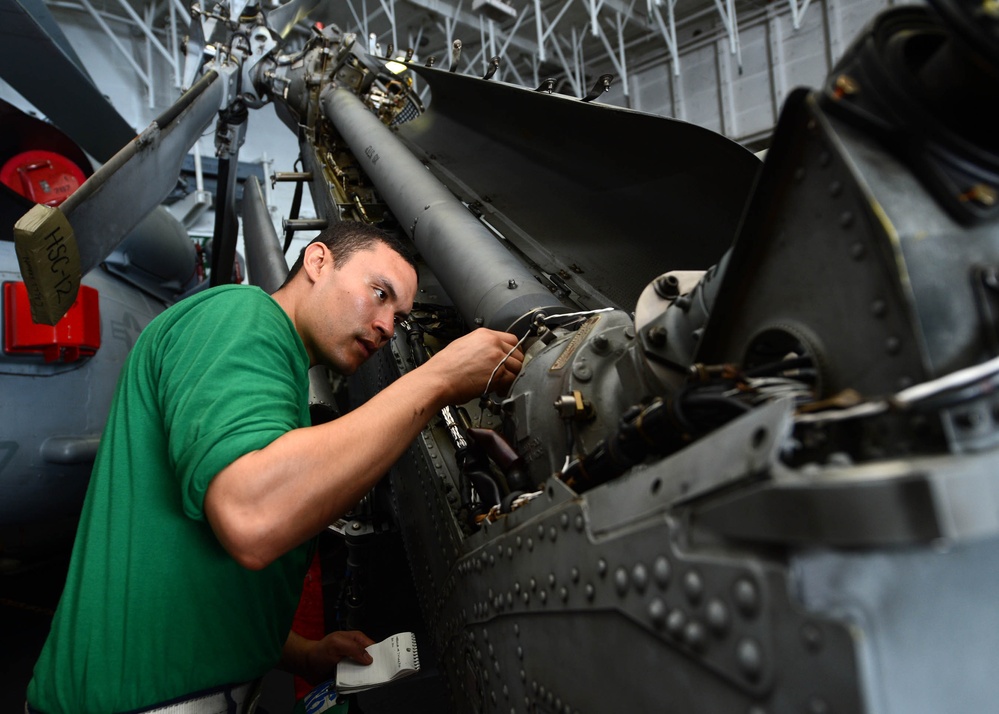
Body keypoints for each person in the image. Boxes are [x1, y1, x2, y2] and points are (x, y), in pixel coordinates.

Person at [25, 221, 524, 713]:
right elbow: (251, 513)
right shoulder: (241, 317)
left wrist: (302, 653)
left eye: (399, 314)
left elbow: (207, 569)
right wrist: (437, 378)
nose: (387, 326)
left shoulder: (278, 370)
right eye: (379, 293)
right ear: (317, 261)